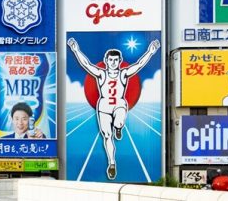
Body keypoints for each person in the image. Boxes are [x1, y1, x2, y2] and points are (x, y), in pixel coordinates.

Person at [67, 37, 160, 180]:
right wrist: (75, 50)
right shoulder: (101, 74)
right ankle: (111, 163)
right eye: (111, 60)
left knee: (119, 121)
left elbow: (139, 65)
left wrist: (151, 51)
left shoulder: (123, 74)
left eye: (116, 60)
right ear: (106, 61)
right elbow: (86, 64)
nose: (113, 63)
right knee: (107, 136)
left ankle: (118, 127)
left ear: (119, 61)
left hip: (119, 105)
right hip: (103, 107)